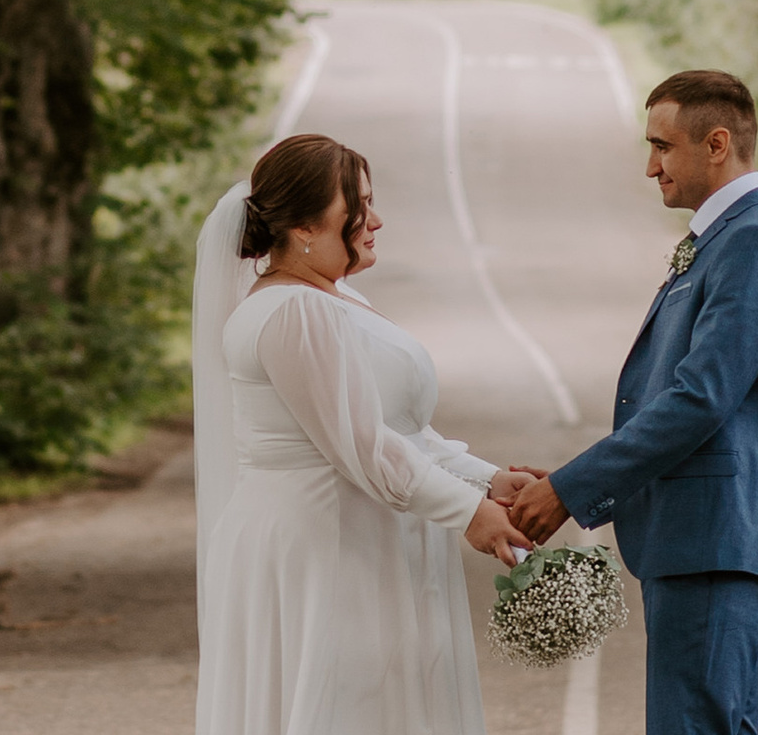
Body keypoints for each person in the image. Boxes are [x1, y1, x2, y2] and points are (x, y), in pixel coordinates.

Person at [192, 131, 536, 735]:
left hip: (362, 530)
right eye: (359, 204)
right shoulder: (294, 313)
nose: (375, 219)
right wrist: (468, 512)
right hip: (324, 540)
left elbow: (395, 427)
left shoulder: (330, 297)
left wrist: (485, 477)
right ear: (303, 226)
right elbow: (361, 446)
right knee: (342, 706)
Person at [506, 70, 758, 735]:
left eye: (663, 146)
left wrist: (572, 488)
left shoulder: (753, 239)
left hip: (718, 533)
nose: (650, 167)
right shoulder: (724, 237)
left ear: (717, 144)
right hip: (701, 535)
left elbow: (700, 398)